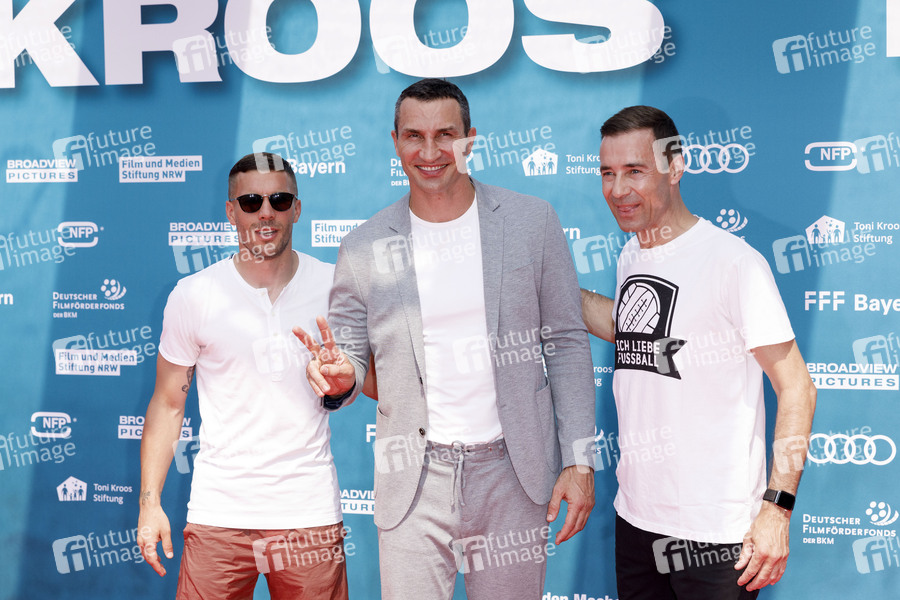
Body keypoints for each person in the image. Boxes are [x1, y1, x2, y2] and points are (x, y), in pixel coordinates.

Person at [293, 78, 596, 599]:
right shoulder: (364, 246)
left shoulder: (532, 222)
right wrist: (341, 377)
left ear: (470, 140)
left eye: (445, 135)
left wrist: (579, 458)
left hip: (513, 475)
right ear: (395, 143)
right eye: (414, 136)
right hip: (413, 481)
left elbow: (566, 343)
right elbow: (349, 360)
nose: (430, 152)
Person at [581, 106, 817, 599]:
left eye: (634, 171)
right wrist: (553, 285)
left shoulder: (735, 264)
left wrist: (776, 509)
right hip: (636, 519)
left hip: (717, 535)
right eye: (607, 173)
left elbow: (796, 387)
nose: (618, 190)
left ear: (675, 166)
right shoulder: (633, 253)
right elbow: (636, 333)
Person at [137, 152, 349, 600]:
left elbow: (362, 384)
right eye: (251, 202)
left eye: (279, 200)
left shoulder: (335, 286)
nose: (265, 212)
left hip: (308, 513)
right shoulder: (194, 295)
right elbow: (168, 404)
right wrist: (150, 504)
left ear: (297, 208)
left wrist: (340, 388)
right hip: (219, 513)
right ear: (231, 211)